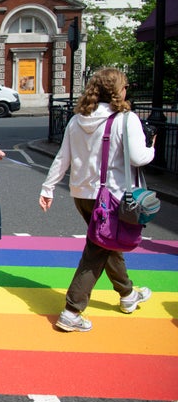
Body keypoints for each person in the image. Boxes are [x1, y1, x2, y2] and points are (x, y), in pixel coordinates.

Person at [39, 67, 155, 332]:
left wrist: (48, 188)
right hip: (112, 197)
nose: (127, 91)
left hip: (82, 195)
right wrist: (152, 148)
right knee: (96, 251)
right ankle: (71, 311)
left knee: (104, 242)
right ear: (117, 91)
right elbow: (139, 158)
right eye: (125, 86)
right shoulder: (127, 119)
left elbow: (62, 158)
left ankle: (127, 295)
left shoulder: (77, 119)